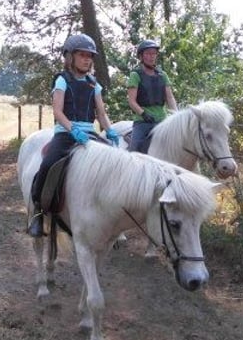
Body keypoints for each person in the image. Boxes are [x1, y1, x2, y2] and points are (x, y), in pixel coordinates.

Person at [27, 33, 120, 237]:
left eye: (90, 56)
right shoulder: (62, 80)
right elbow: (58, 112)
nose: (87, 59)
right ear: (70, 57)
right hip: (66, 133)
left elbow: (101, 113)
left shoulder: (94, 83)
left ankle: (111, 212)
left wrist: (110, 130)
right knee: (48, 164)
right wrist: (73, 129)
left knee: (113, 163)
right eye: (82, 55)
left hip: (89, 132)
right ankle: (38, 212)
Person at [126, 39, 178, 153]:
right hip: (143, 121)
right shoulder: (135, 75)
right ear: (141, 56)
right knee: (134, 150)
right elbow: (132, 101)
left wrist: (176, 114)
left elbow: (170, 98)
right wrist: (143, 114)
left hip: (162, 120)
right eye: (148, 53)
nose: (152, 56)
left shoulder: (162, 75)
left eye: (154, 53)